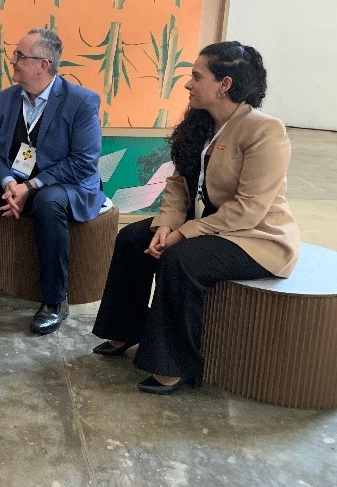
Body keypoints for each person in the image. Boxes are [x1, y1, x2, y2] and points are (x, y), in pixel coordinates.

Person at [91, 41, 300, 395]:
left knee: (180, 259)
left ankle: (175, 365)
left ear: (225, 84)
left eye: (196, 76)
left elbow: (250, 208)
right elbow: (177, 185)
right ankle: (125, 330)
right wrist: (165, 225)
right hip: (205, 224)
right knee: (132, 240)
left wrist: (185, 233)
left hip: (254, 236)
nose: (188, 84)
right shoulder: (200, 124)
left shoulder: (264, 131)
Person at [0, 28, 105, 334]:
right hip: (17, 177)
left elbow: (83, 162)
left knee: (49, 204)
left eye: (21, 56)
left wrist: (31, 187)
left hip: (64, 184)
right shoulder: (6, 99)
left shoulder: (81, 102)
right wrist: (9, 181)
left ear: (43, 64)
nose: (13, 61)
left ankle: (54, 300)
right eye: (15, 55)